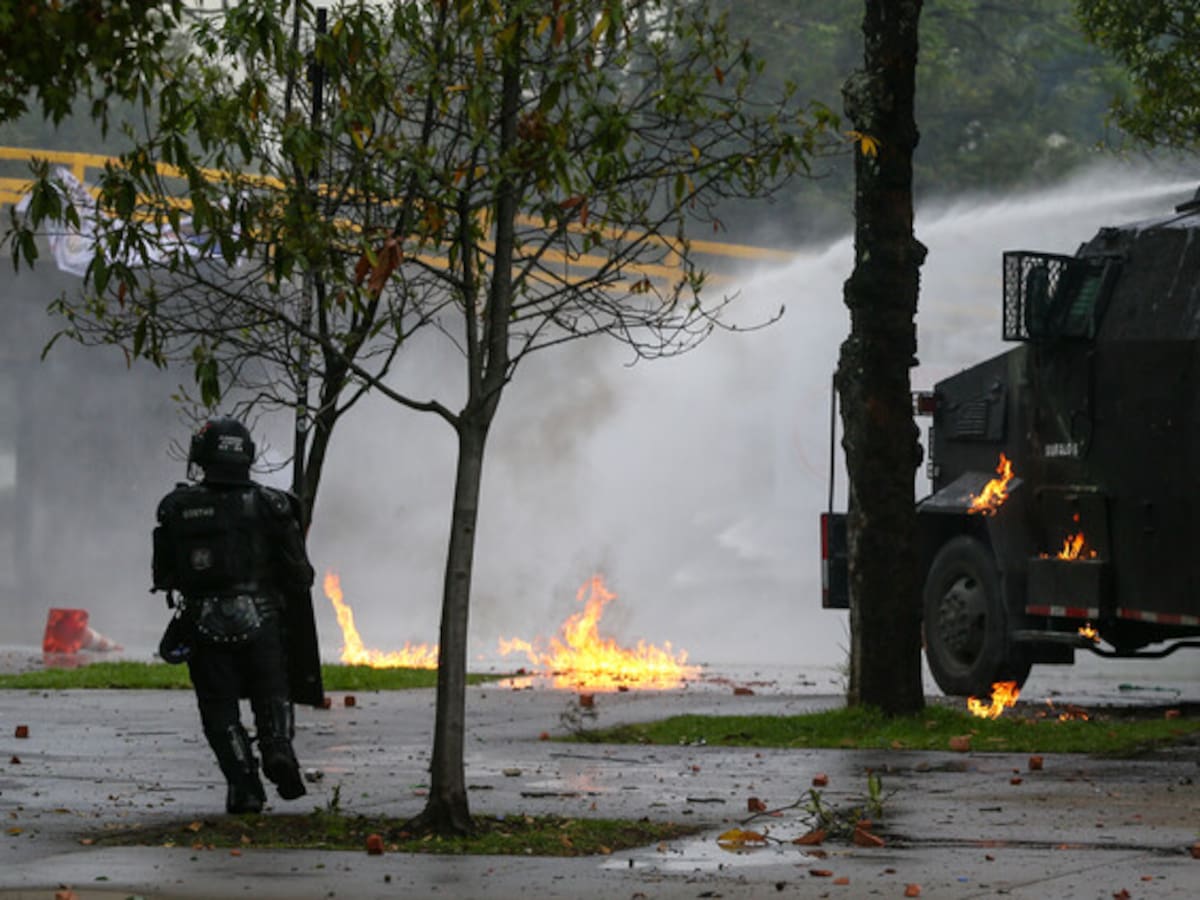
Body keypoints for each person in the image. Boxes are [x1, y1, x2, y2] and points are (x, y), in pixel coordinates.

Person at [152, 417, 324, 814]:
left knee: (219, 709)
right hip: (262, 619)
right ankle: (278, 749)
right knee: (272, 693)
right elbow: (302, 575)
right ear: (246, 455)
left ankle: (244, 785)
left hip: (203, 622)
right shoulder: (273, 504)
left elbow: (164, 576)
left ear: (201, 457)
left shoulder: (177, 507)